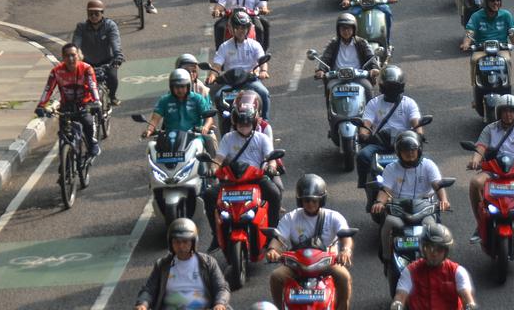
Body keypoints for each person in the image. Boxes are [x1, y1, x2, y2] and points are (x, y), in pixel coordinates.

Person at [202, 97, 282, 249]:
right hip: (232, 179)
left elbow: (270, 158)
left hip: (256, 177)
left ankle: (273, 234)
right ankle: (216, 235)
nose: (243, 126)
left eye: (246, 123)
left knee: (274, 193)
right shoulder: (227, 138)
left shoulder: (262, 138)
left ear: (253, 123)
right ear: (234, 123)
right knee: (209, 195)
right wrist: (213, 168)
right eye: (240, 123)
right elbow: (218, 159)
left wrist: (271, 166)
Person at [267, 175, 354, 310]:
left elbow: (346, 237)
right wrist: (272, 250)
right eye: (306, 200)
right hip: (297, 265)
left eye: (314, 200)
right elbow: (278, 238)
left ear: (321, 200)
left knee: (344, 276)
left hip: (327, 264)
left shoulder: (333, 217)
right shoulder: (291, 217)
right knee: (276, 276)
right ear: (300, 201)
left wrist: (345, 250)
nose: (310, 203)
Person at [465, 94, 514, 241]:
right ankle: (480, 223)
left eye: (511, 111)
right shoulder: (489, 129)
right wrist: (475, 161)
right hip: (493, 171)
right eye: (505, 111)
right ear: (499, 112)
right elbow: (480, 149)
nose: (508, 114)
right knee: (475, 183)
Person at [372, 130, 451, 260]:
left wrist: (444, 200)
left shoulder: (428, 165)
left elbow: (438, 185)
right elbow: (385, 190)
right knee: (389, 223)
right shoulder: (391, 168)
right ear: (399, 152)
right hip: (399, 209)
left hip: (425, 208)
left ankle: (438, 259)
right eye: (405, 151)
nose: (409, 154)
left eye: (412, 150)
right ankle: (386, 256)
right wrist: (380, 202)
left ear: (418, 150)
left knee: (434, 229)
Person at [135, 218, 231, 310]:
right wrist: (143, 304)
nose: (181, 246)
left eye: (185, 242)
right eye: (176, 242)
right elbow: (149, 290)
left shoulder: (208, 263)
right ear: (171, 243)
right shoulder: (162, 265)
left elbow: (222, 288)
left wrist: (220, 303)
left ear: (193, 242)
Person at [355, 66, 422, 188]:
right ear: (382, 87)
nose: (391, 90)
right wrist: (363, 134)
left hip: (403, 143)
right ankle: (363, 182)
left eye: (394, 86)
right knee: (362, 155)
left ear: (401, 87)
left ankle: (422, 188)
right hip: (379, 143)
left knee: (423, 159)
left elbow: (416, 123)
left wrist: (419, 134)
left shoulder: (409, 103)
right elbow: (366, 123)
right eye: (388, 86)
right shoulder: (374, 103)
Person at [390, 223, 478, 310]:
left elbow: (466, 297)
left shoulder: (458, 272)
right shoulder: (410, 271)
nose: (434, 253)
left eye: (439, 249)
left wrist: (470, 305)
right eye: (430, 248)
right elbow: (400, 296)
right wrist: (397, 304)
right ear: (424, 248)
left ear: (446, 251)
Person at [35, 43, 101, 156]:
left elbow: (92, 86)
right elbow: (48, 90)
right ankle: (64, 162)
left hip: (84, 104)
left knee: (88, 123)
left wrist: (96, 101)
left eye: (73, 55)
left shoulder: (87, 69)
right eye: (67, 56)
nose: (70, 59)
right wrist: (41, 105)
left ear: (78, 56)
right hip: (66, 105)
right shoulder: (56, 71)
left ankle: (93, 143)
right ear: (63, 57)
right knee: (64, 134)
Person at [208, 11, 272, 118]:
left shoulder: (255, 45)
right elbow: (217, 65)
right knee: (219, 96)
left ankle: (264, 121)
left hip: (250, 81)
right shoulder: (224, 46)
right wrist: (212, 75)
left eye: (244, 28)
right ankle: (225, 124)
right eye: (237, 28)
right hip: (231, 83)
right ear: (231, 29)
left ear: (248, 29)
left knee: (264, 93)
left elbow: (262, 61)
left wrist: (263, 71)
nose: (241, 31)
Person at [141, 69, 218, 156]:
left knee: (210, 141)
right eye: (176, 87)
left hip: (194, 137)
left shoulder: (198, 99)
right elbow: (154, 119)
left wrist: (205, 127)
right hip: (170, 138)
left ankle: (214, 167)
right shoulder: (164, 100)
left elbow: (209, 118)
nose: (179, 90)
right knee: (152, 147)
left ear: (188, 86)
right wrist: (149, 130)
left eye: (182, 86)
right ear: (171, 87)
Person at [459, 0, 514, 80]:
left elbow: (512, 33)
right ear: (485, 2)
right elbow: (470, 32)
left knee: (507, 61)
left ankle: (507, 84)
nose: (496, 3)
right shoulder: (476, 16)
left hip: (501, 48)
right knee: (474, 60)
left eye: (498, 0)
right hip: (481, 49)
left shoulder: (506, 15)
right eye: (492, 0)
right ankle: (476, 84)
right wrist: (466, 43)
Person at [315, 13, 379, 98]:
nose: (346, 32)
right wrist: (321, 70)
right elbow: (325, 58)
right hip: (337, 77)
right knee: (329, 88)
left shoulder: (361, 42)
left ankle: (369, 111)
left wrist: (374, 68)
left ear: (354, 29)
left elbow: (370, 57)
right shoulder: (333, 43)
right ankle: (331, 111)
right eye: (343, 29)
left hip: (358, 76)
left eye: (348, 29)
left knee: (367, 88)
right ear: (338, 30)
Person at [72, 0, 124, 106]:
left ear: (102, 13)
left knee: (113, 77)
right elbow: (76, 44)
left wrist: (117, 55)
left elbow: (115, 42)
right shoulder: (81, 27)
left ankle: (112, 96)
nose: (93, 16)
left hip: (107, 60)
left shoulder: (110, 25)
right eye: (90, 13)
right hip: (87, 62)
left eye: (96, 13)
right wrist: (74, 55)